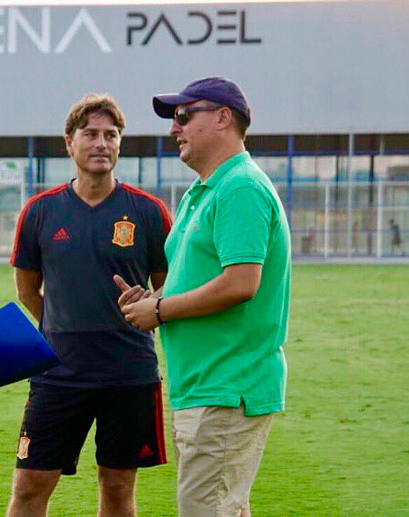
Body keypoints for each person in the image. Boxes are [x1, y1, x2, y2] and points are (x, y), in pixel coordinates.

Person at [119, 77, 291, 517]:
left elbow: (240, 283)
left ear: (222, 118)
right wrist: (153, 300)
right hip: (205, 387)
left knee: (205, 509)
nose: (174, 129)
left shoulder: (240, 188)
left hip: (226, 388)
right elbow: (200, 278)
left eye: (182, 116)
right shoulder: (209, 189)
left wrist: (158, 309)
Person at [7, 93, 172, 517]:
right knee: (29, 488)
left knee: (117, 490)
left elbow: (170, 290)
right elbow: (28, 290)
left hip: (128, 373)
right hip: (58, 374)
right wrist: (61, 329)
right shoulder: (39, 212)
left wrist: (150, 304)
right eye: (92, 134)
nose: (102, 143)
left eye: (111, 135)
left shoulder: (149, 212)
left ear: (120, 144)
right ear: (69, 143)